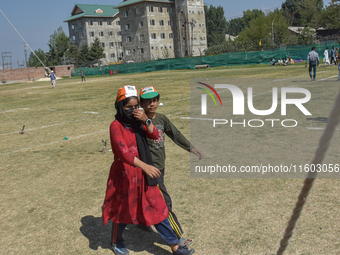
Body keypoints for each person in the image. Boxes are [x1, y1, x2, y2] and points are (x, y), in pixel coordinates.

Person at [102, 85, 195, 255]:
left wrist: (146, 120)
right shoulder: (115, 126)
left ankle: (175, 246)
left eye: (135, 106)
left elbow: (154, 134)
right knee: (121, 209)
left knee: (156, 205)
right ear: (120, 106)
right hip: (124, 174)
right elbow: (123, 153)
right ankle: (116, 241)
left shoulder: (139, 121)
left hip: (143, 173)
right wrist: (145, 166)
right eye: (128, 107)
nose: (133, 110)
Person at [139, 86, 203, 248]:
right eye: (147, 101)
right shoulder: (139, 121)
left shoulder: (161, 119)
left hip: (160, 167)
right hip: (148, 169)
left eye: (154, 100)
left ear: (158, 101)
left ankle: (142, 221)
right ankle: (177, 237)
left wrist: (191, 147)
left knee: (147, 197)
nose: (151, 104)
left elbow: (175, 134)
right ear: (142, 103)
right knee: (164, 202)